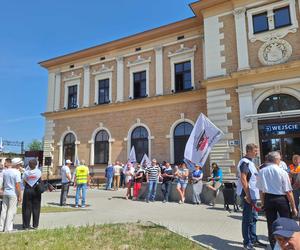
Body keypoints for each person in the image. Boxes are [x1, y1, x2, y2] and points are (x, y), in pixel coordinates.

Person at [257, 151, 297, 249]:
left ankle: (274, 245)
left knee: (271, 223)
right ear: (276, 159)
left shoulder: (262, 171)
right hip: (281, 199)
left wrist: (263, 203)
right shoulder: (282, 172)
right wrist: (294, 207)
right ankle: (288, 244)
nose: (280, 161)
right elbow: (288, 191)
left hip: (268, 199)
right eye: (279, 159)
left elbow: (261, 191)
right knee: (286, 222)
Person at [236, 143, 266, 250]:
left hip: (253, 195)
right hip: (247, 195)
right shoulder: (244, 162)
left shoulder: (250, 162)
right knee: (247, 219)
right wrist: (247, 195)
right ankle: (247, 242)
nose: (257, 152)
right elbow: (243, 179)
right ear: (248, 151)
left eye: (257, 150)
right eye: (255, 150)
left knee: (254, 218)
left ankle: (253, 239)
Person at [0, 158, 22, 232]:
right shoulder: (17, 172)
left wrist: (2, 190)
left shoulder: (5, 172)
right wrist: (20, 195)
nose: (20, 165)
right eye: (20, 164)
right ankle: (8, 228)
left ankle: (1, 226)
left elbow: (3, 183)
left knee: (4, 210)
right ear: (17, 165)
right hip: (13, 193)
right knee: (11, 211)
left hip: (6, 192)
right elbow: (17, 185)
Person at [22, 159, 43, 230]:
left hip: (28, 189)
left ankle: (26, 226)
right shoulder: (39, 172)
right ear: (36, 165)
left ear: (29, 165)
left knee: (27, 208)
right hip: (36, 190)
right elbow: (40, 179)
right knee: (36, 208)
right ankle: (35, 225)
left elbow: (24, 182)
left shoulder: (26, 172)